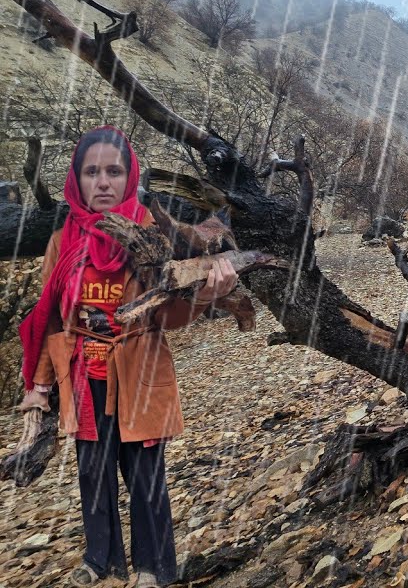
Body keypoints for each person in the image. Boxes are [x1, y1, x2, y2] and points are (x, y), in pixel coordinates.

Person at [16, 127, 237, 587]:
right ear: (76, 180)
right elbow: (51, 319)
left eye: (113, 171)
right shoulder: (62, 241)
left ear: (129, 176)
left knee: (144, 475)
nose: (102, 182)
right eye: (91, 172)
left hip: (140, 370)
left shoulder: (153, 237)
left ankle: (152, 567)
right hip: (81, 374)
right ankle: (101, 560)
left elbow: (171, 317)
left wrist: (207, 295)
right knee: (92, 472)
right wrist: (38, 389)